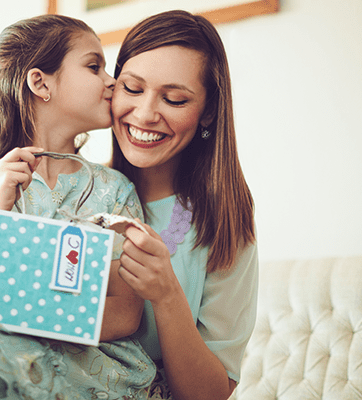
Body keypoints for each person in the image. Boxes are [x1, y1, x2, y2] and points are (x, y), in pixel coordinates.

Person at [0, 14, 155, 400]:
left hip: (86, 365)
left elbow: (125, 314)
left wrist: (17, 313)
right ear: (40, 82)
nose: (111, 81)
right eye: (94, 66)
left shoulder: (113, 189)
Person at [109, 10, 259, 400]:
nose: (144, 114)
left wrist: (167, 295)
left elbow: (212, 393)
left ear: (208, 110)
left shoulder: (224, 222)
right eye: (132, 88)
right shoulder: (75, 193)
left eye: (174, 98)